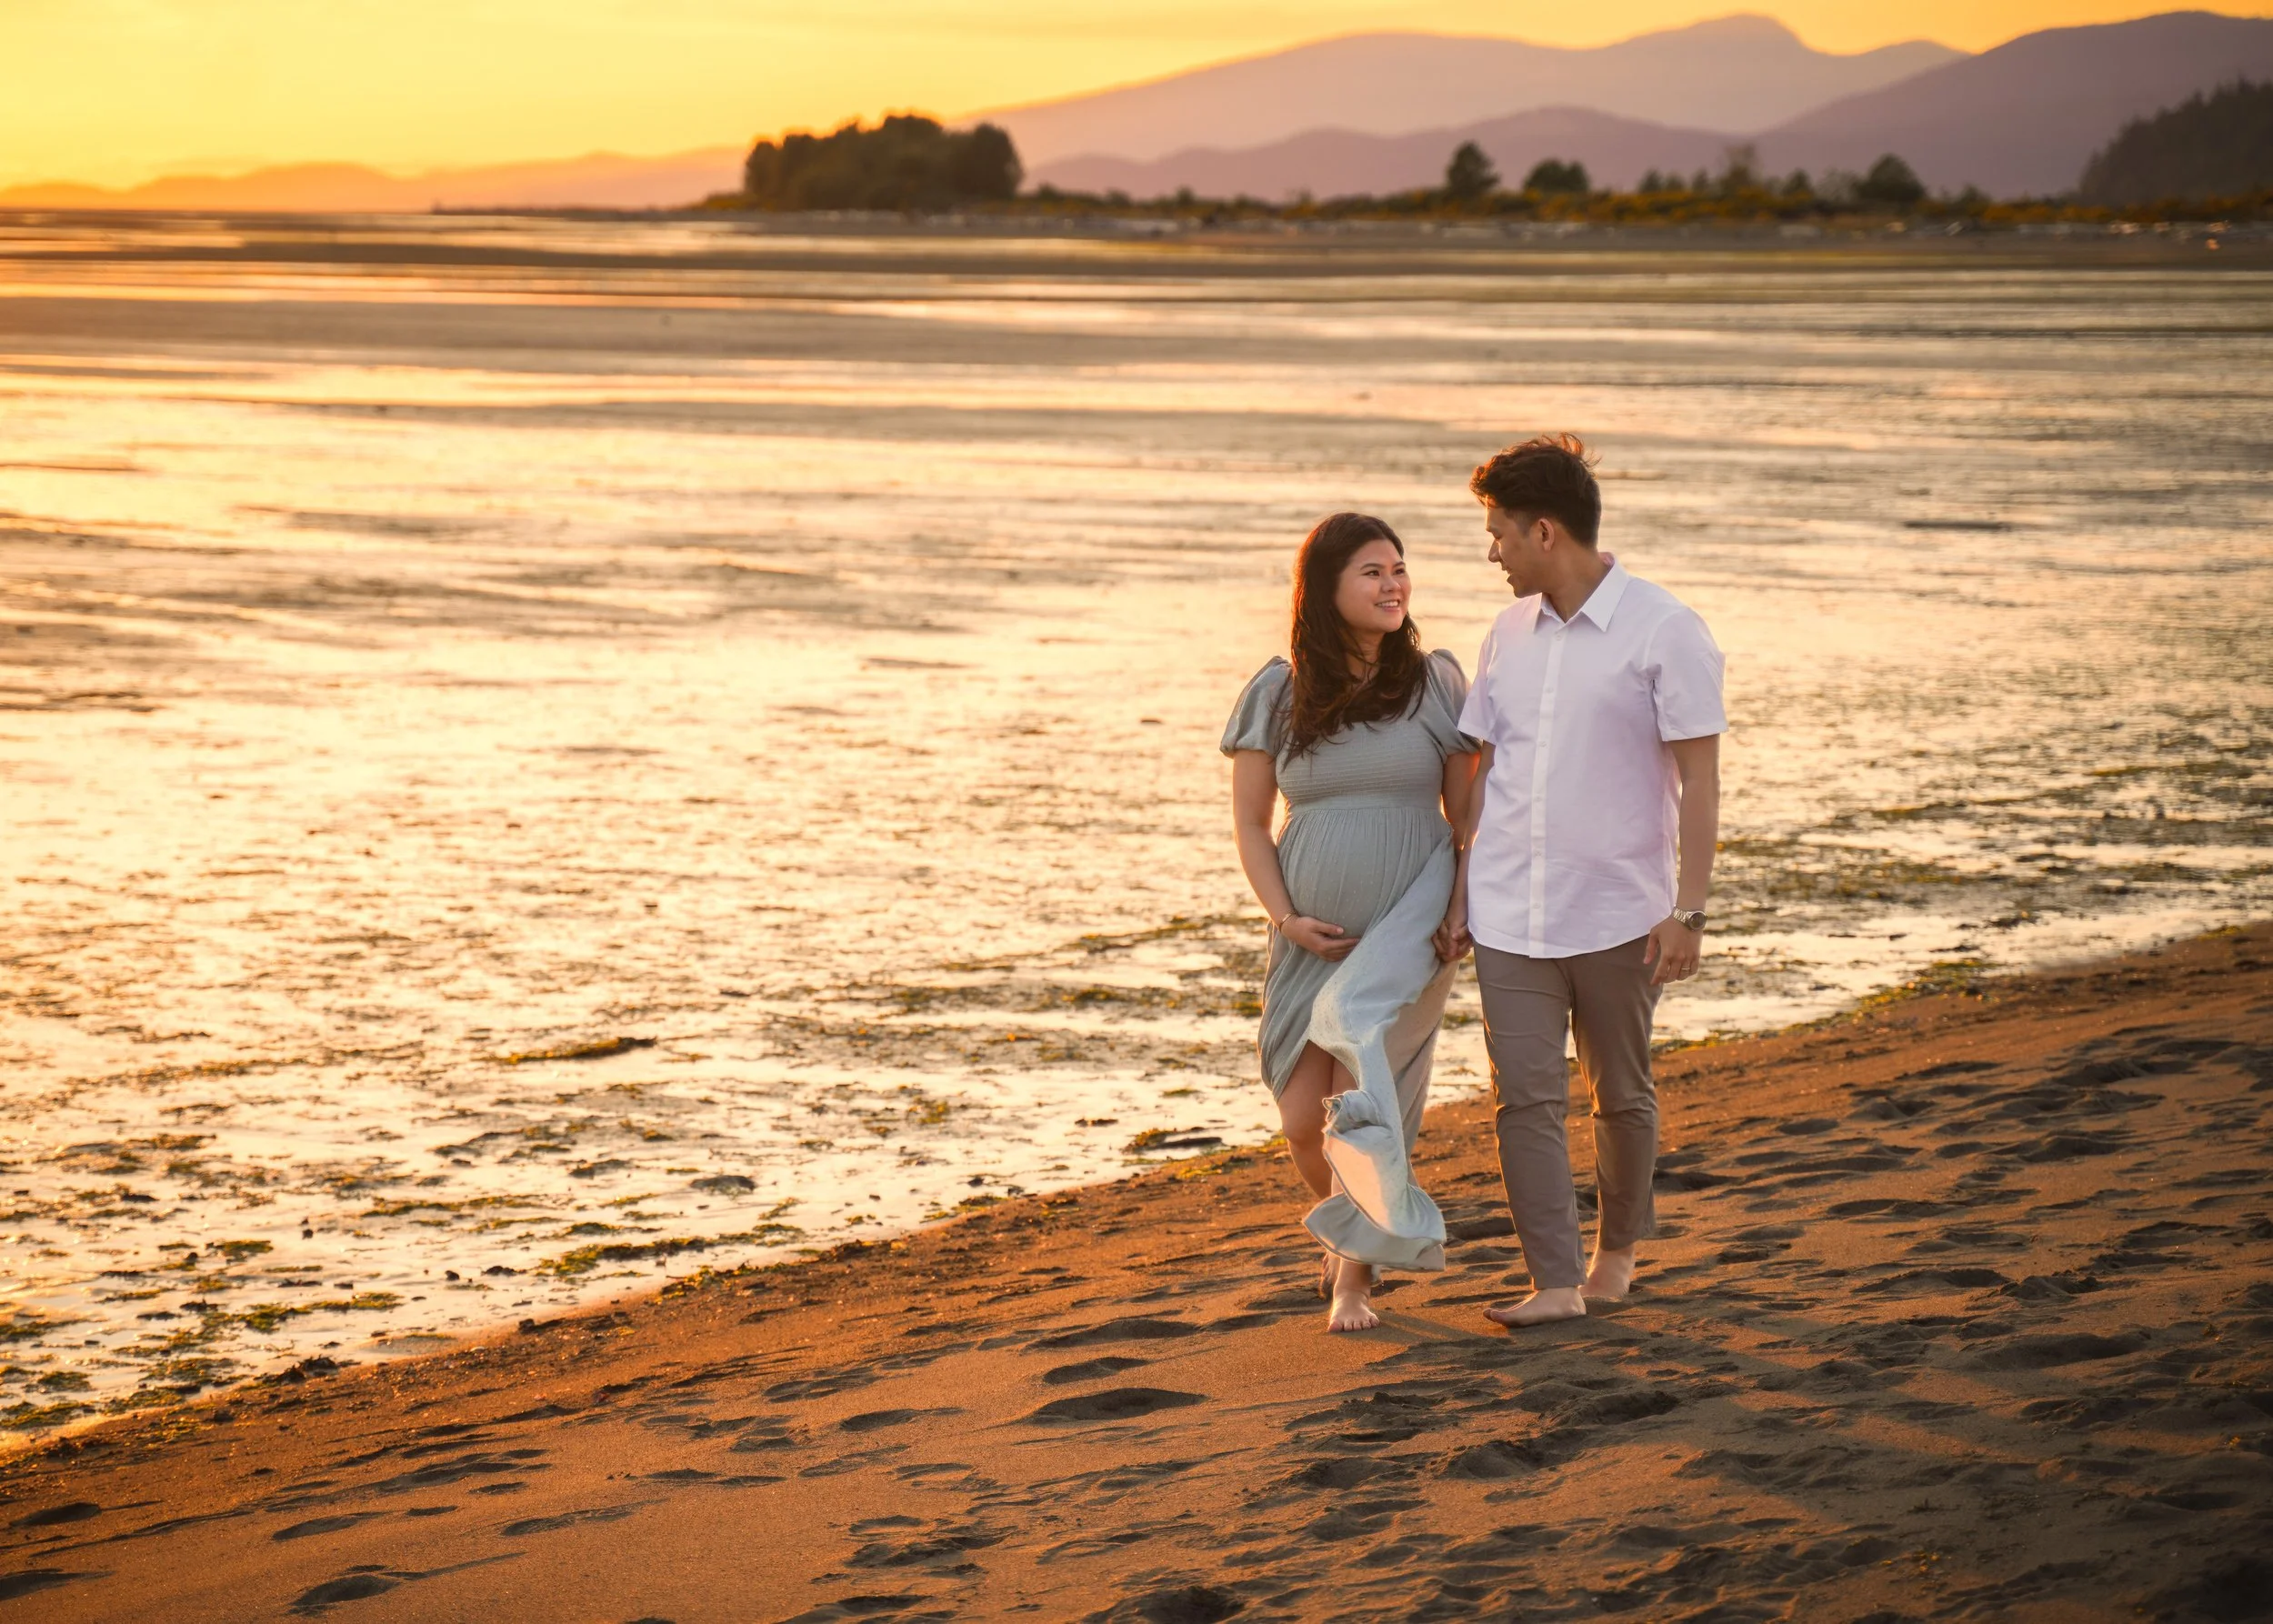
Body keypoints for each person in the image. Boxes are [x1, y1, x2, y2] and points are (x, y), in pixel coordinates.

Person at [1437, 434, 1724, 1329]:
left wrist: (1690, 911)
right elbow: (1478, 766)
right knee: (1521, 1094)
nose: (1492, 551)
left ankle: (1614, 1258)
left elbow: (1701, 780)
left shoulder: (1665, 629)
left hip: (1617, 914)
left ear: (1544, 532)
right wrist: (1457, 890)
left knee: (1620, 1094)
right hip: (1509, 911)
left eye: (1499, 534)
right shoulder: (1504, 633)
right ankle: (1553, 1280)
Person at [1223, 512, 1480, 1332]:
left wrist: (1461, 905)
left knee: (1360, 1109)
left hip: (1407, 923)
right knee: (1304, 1122)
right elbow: (1252, 827)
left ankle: (1353, 1285)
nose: (1393, 583)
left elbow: (1468, 815)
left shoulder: (1436, 683)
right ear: (1325, 587)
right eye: (1373, 570)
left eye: (1399, 568)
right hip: (1309, 937)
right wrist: (1287, 917)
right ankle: (1350, 1231)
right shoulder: (1278, 691)